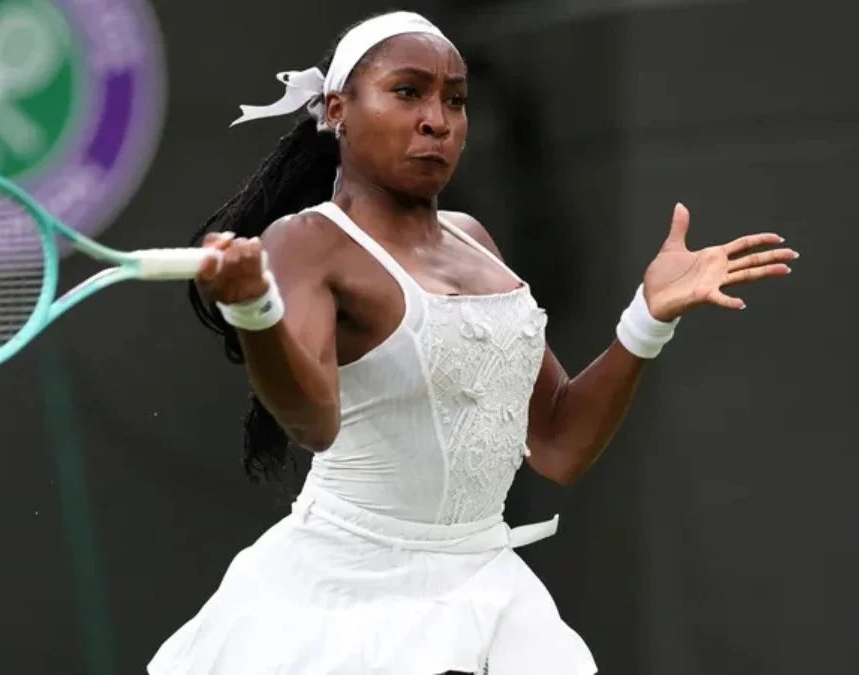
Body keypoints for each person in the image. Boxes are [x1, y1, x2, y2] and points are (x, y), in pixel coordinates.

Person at [149, 10, 796, 675]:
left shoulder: (473, 237)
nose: (438, 119)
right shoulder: (307, 241)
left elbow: (559, 442)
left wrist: (648, 316)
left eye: (454, 99)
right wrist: (256, 312)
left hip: (485, 583)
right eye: (408, 92)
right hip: (344, 598)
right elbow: (312, 422)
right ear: (338, 109)